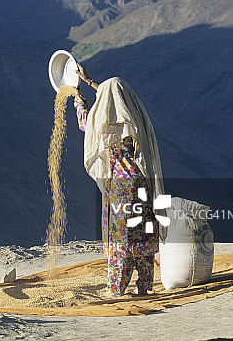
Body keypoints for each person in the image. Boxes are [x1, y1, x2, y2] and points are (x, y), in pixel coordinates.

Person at [68, 65, 166, 298]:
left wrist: (78, 98)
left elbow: (86, 122)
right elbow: (113, 94)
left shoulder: (103, 125)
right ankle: (144, 286)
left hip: (121, 189)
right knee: (143, 231)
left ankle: (116, 288)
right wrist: (90, 80)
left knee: (122, 237)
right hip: (142, 184)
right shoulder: (136, 119)